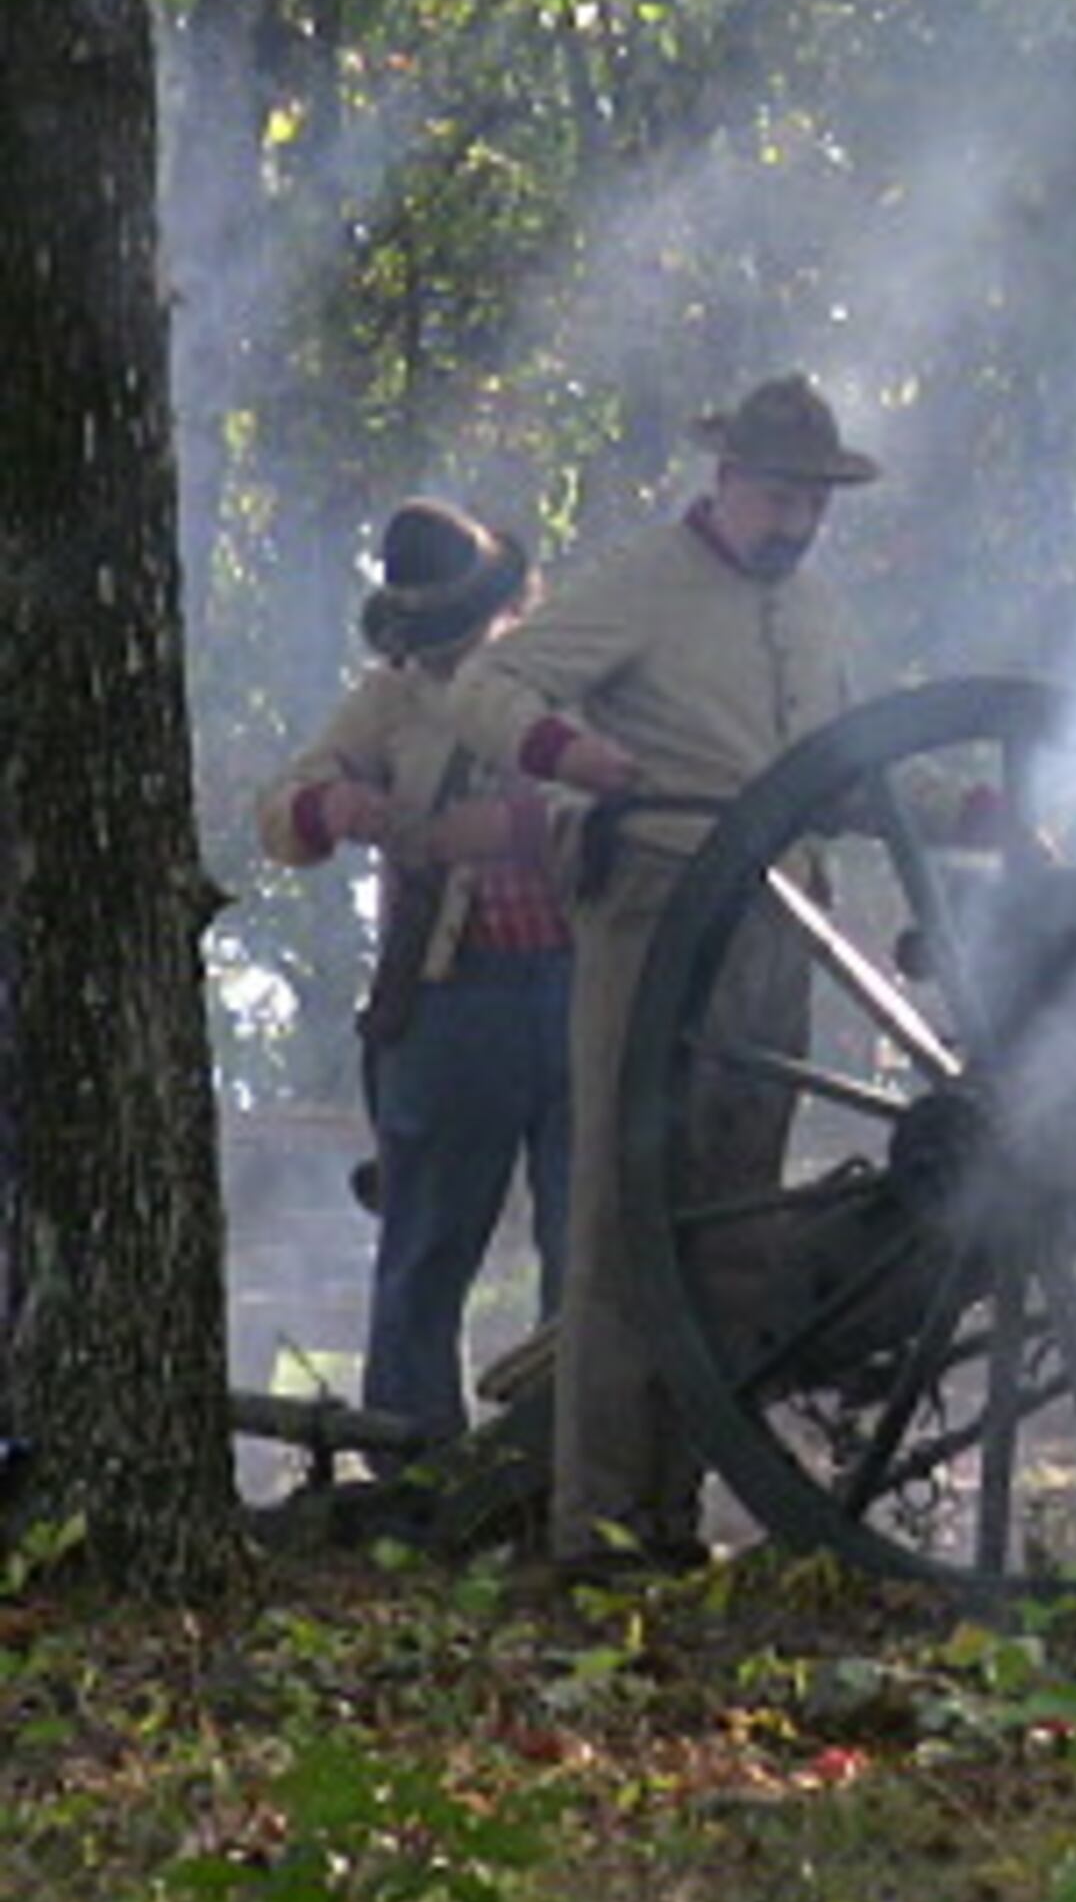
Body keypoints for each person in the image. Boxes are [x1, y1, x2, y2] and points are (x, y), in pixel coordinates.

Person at [446, 374, 880, 1571]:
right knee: (628, 1214)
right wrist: (579, 756)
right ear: (727, 481)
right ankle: (596, 1523)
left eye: (816, 500)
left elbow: (843, 773)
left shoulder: (818, 616)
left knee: (729, 1224)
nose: (798, 520)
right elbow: (487, 689)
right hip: (656, 910)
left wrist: (974, 811)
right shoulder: (645, 581)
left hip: (779, 921)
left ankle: (678, 1513)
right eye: (782, 494)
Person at [255, 501, 573, 1447]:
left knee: (584, 1246)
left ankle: (562, 1464)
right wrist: (332, 805)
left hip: (578, 983)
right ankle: (414, 1470)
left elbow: (619, 790)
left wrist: (517, 828)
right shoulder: (388, 701)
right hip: (450, 997)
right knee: (426, 1249)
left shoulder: (562, 676)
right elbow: (283, 809)